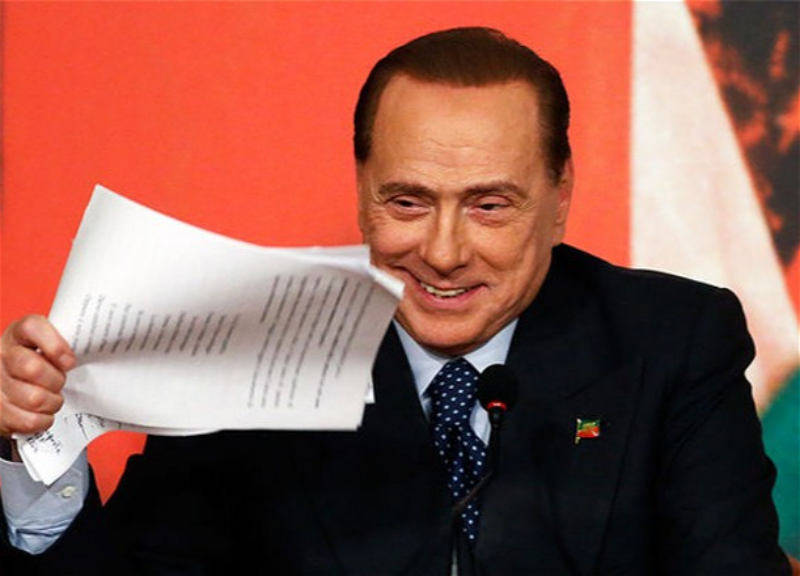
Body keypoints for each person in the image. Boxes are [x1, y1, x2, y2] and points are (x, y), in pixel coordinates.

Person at [0, 27, 791, 575]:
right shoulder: (246, 342)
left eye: (489, 206)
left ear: (559, 198)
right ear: (362, 190)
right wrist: (39, 452)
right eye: (407, 202)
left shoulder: (673, 342)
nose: (442, 253)